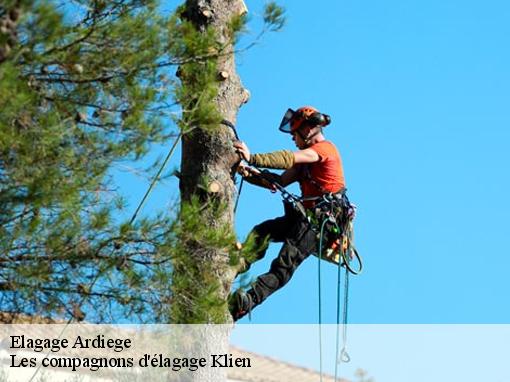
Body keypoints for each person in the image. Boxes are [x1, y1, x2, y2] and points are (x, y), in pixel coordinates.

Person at [229, 106, 346, 321]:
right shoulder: (306, 163)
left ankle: (248, 302)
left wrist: (252, 157)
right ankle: (238, 263)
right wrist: (249, 173)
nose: (293, 138)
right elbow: (279, 181)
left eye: (295, 133)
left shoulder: (324, 150)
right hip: (305, 218)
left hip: (320, 224)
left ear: (309, 129)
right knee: (263, 231)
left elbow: (287, 158)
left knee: (285, 263)